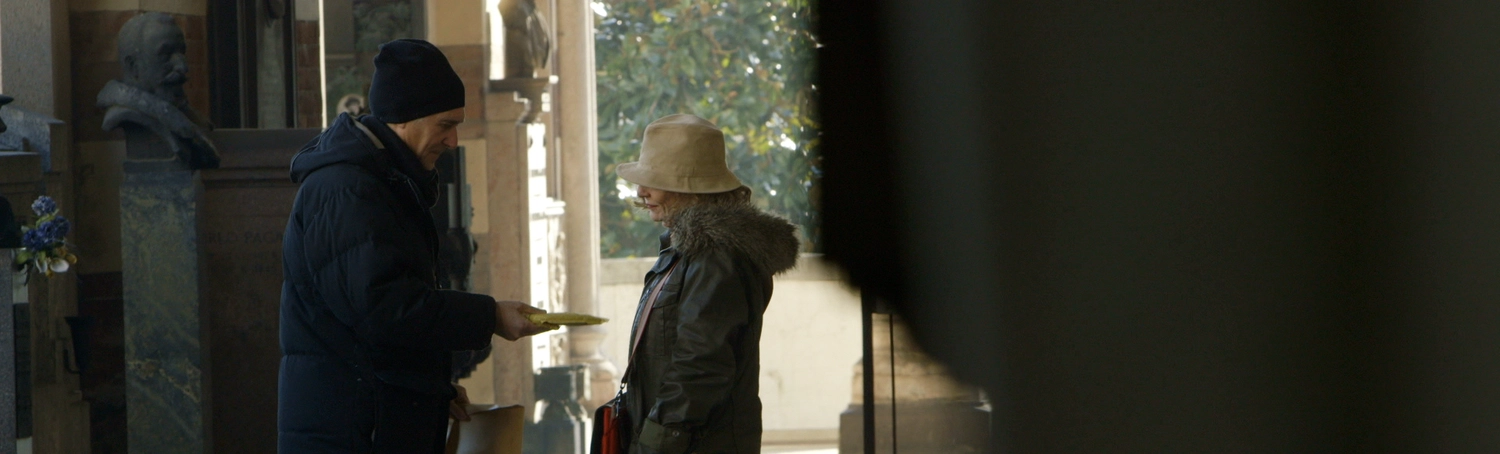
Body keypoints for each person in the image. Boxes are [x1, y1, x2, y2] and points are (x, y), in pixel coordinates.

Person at [278, 38, 555, 453]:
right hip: (352, 434)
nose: (453, 141)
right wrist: (490, 316)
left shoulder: (377, 180)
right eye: (445, 125)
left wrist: (431, 388)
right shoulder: (347, 189)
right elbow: (383, 308)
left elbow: (378, 329)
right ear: (404, 118)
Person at [615, 114, 801, 454]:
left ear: (691, 189)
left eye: (654, 181)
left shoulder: (716, 256)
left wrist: (654, 445)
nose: (641, 191)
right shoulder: (691, 250)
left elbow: (699, 367)